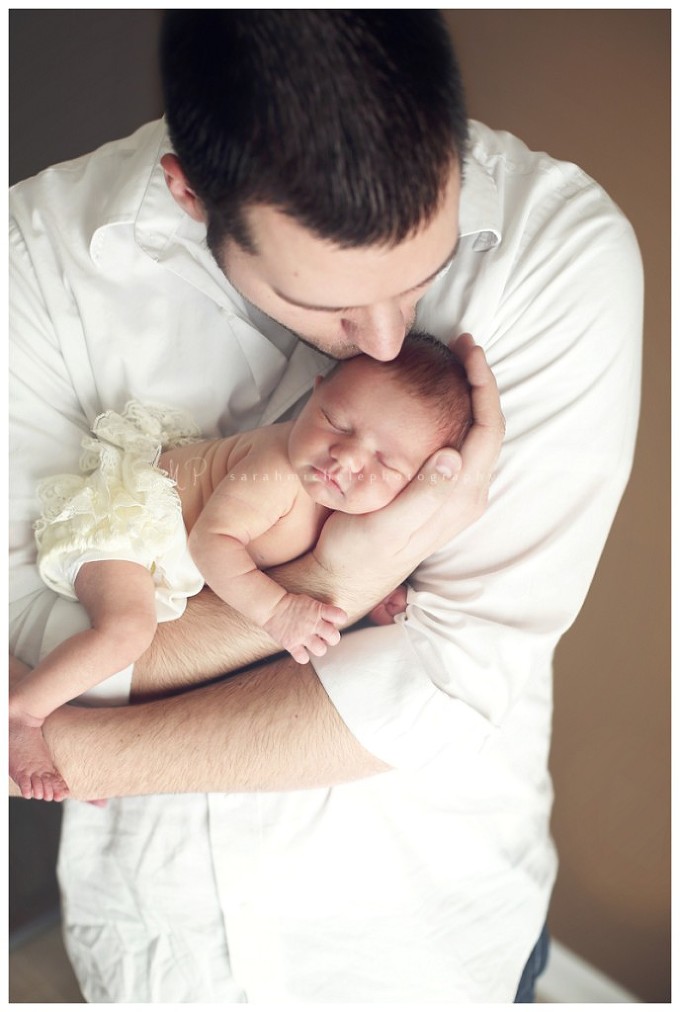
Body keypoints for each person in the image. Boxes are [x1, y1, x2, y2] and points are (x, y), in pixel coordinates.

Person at [8, 11, 642, 1003]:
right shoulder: (36, 264)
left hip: (435, 947)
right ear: (188, 195)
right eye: (334, 307)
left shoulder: (554, 257)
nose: (388, 345)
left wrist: (90, 750)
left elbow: (452, 674)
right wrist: (330, 579)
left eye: (420, 280)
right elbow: (33, 643)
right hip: (155, 953)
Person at [10, 334, 471, 802]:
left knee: (181, 668)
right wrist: (276, 611)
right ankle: (21, 713)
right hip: (127, 529)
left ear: (415, 485)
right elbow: (213, 545)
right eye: (335, 422)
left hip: (166, 564)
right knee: (128, 632)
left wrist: (385, 591)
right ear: (315, 394)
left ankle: (95, 742)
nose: (347, 457)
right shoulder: (277, 471)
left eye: (386, 463)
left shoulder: (350, 502)